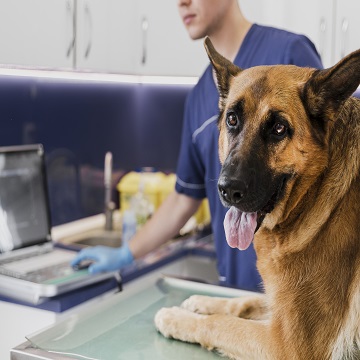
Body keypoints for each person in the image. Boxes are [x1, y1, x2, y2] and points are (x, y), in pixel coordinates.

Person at [71, 0, 323, 292]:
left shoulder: (289, 53)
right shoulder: (199, 96)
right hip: (233, 288)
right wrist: (127, 253)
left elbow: (331, 155)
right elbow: (183, 198)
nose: (182, 3)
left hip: (297, 291)